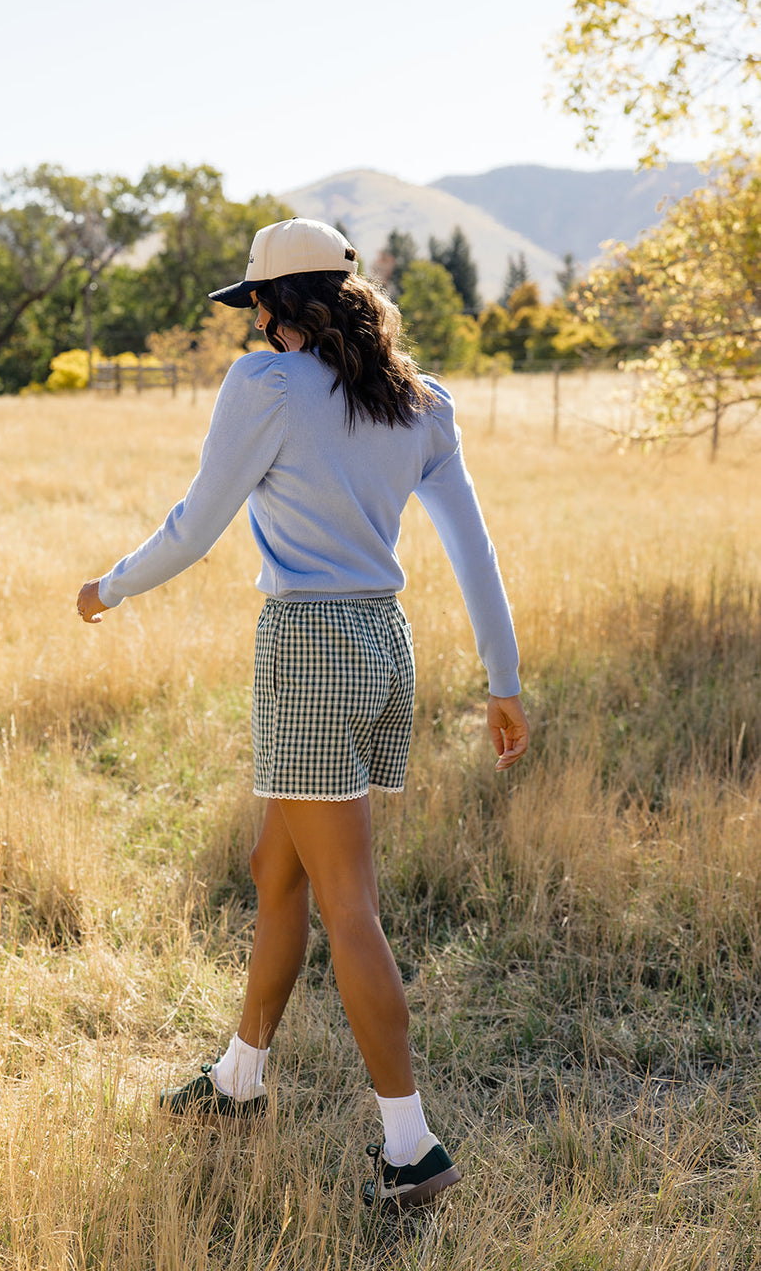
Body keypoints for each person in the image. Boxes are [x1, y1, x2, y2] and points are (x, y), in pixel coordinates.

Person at [77, 217, 529, 1211]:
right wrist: (502, 681)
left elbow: (196, 526)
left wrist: (108, 587)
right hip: (382, 648)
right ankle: (239, 1078)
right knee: (271, 866)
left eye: (254, 308)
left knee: (347, 903)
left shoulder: (264, 386)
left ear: (272, 306)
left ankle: (410, 1146)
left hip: (309, 651)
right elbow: (473, 547)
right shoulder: (421, 399)